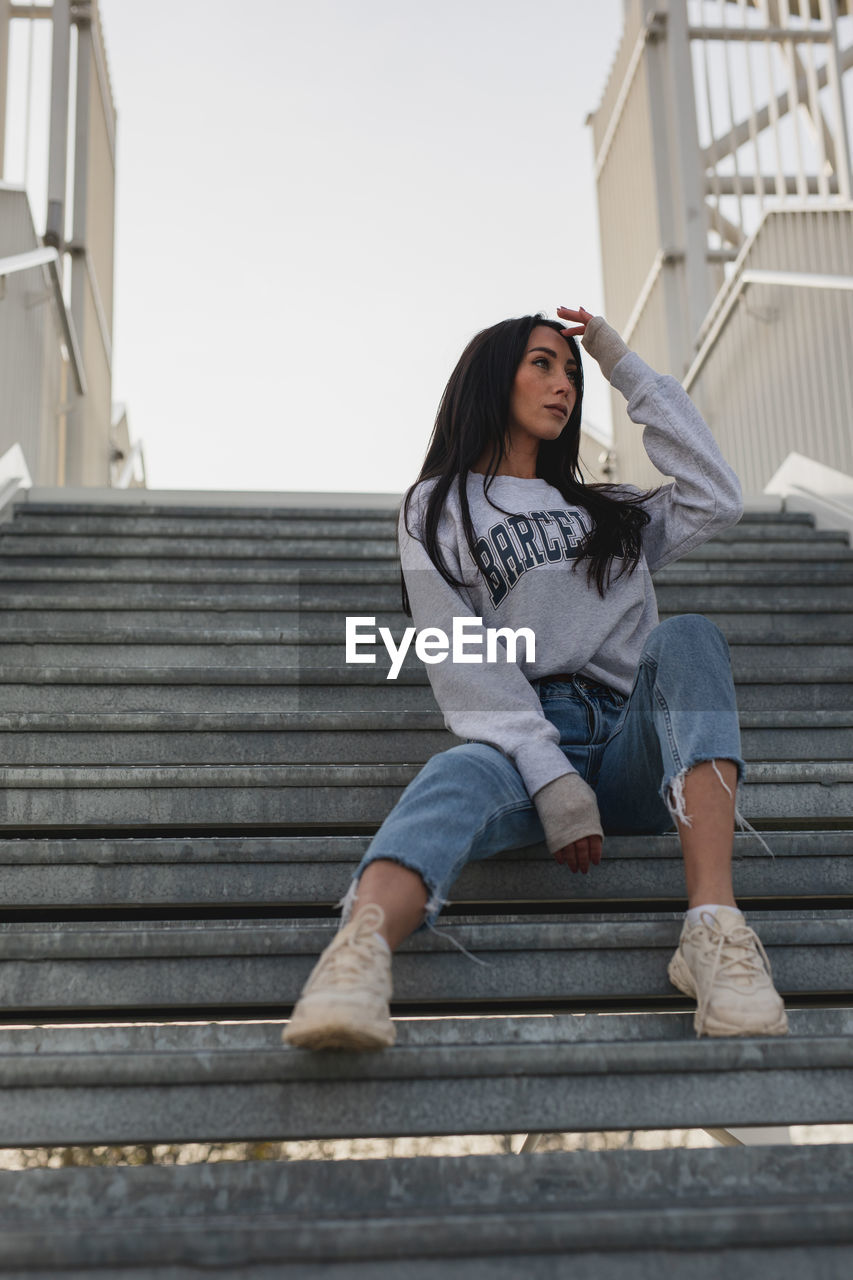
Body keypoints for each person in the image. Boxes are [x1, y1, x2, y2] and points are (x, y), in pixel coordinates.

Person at [283, 306, 788, 1051]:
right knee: (453, 774)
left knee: (688, 638)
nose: (563, 386)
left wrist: (620, 364)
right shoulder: (437, 505)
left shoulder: (607, 510)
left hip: (630, 739)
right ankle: (353, 961)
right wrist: (549, 775)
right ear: (493, 378)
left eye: (571, 373)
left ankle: (713, 930)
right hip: (522, 736)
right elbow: (458, 651)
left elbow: (717, 495)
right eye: (543, 365)